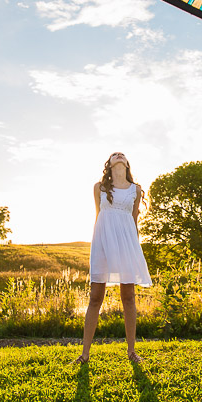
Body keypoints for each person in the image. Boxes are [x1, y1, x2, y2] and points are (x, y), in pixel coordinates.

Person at [74, 152, 152, 365]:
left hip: (127, 244)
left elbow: (134, 220)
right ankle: (85, 354)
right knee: (95, 296)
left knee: (128, 296)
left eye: (122, 155)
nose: (118, 155)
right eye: (114, 155)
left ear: (127, 164)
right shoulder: (99, 188)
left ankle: (131, 351)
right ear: (108, 165)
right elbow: (99, 215)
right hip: (102, 243)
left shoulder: (136, 190)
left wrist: (135, 250)